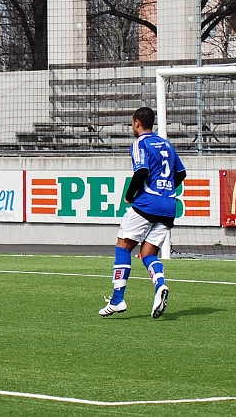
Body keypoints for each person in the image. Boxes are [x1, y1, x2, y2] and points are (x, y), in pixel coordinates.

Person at [99, 107, 186, 319]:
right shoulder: (166, 144)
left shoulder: (140, 143)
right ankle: (160, 286)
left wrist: (130, 195)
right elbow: (181, 173)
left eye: (132, 122)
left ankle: (118, 300)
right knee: (148, 254)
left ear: (137, 122)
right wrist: (165, 191)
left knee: (123, 247)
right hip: (168, 206)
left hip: (147, 203)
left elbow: (142, 171)